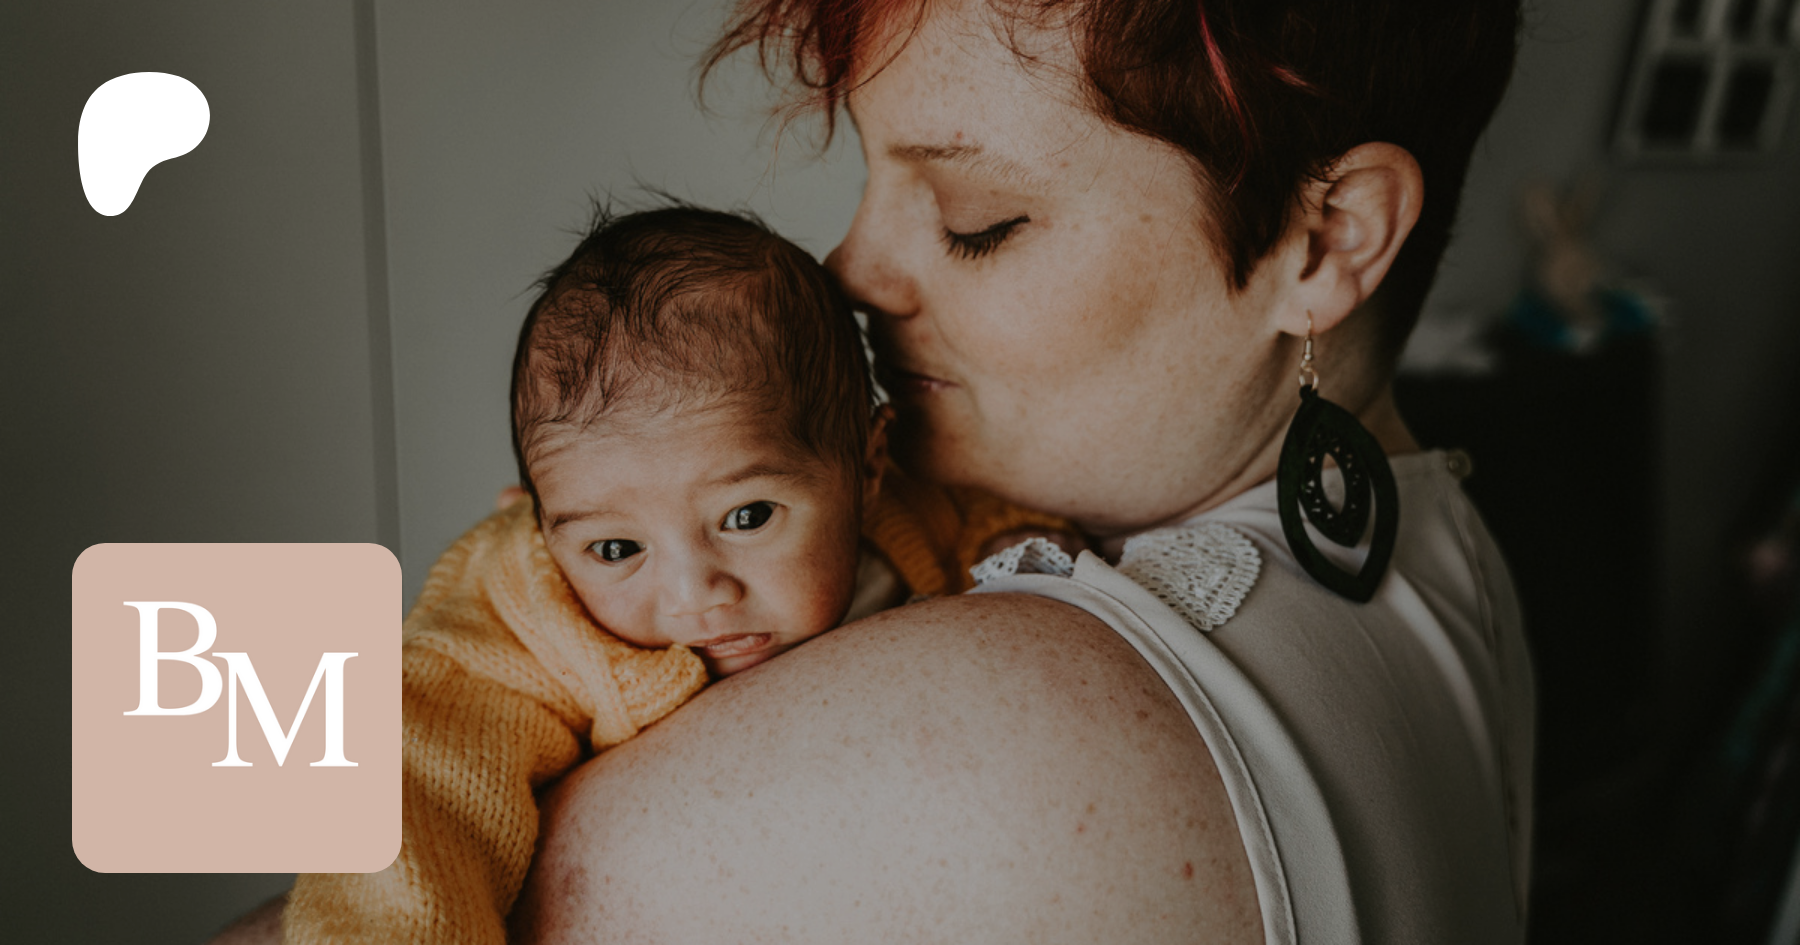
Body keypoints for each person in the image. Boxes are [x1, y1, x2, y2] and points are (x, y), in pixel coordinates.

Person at [212, 0, 1533, 940]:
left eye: (978, 220)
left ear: (1329, 235)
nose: (850, 269)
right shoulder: (1447, 547)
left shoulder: (1019, 722)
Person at [279, 205, 1074, 944]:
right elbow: (410, 797)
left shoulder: (906, 513)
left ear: (866, 468)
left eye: (747, 516)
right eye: (617, 550)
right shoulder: (525, 628)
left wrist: (1023, 538)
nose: (696, 594)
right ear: (541, 526)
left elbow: (982, 510)